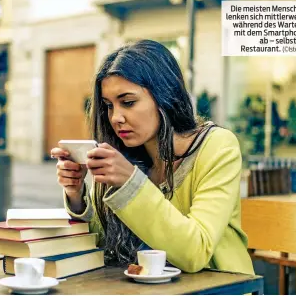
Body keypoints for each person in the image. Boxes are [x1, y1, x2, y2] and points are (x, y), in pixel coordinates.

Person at [51, 40, 254, 275]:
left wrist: (131, 183)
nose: (115, 117)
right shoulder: (128, 155)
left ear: (164, 95)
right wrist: (76, 194)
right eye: (108, 106)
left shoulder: (217, 146)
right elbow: (105, 245)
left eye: (128, 102)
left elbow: (195, 252)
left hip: (219, 288)